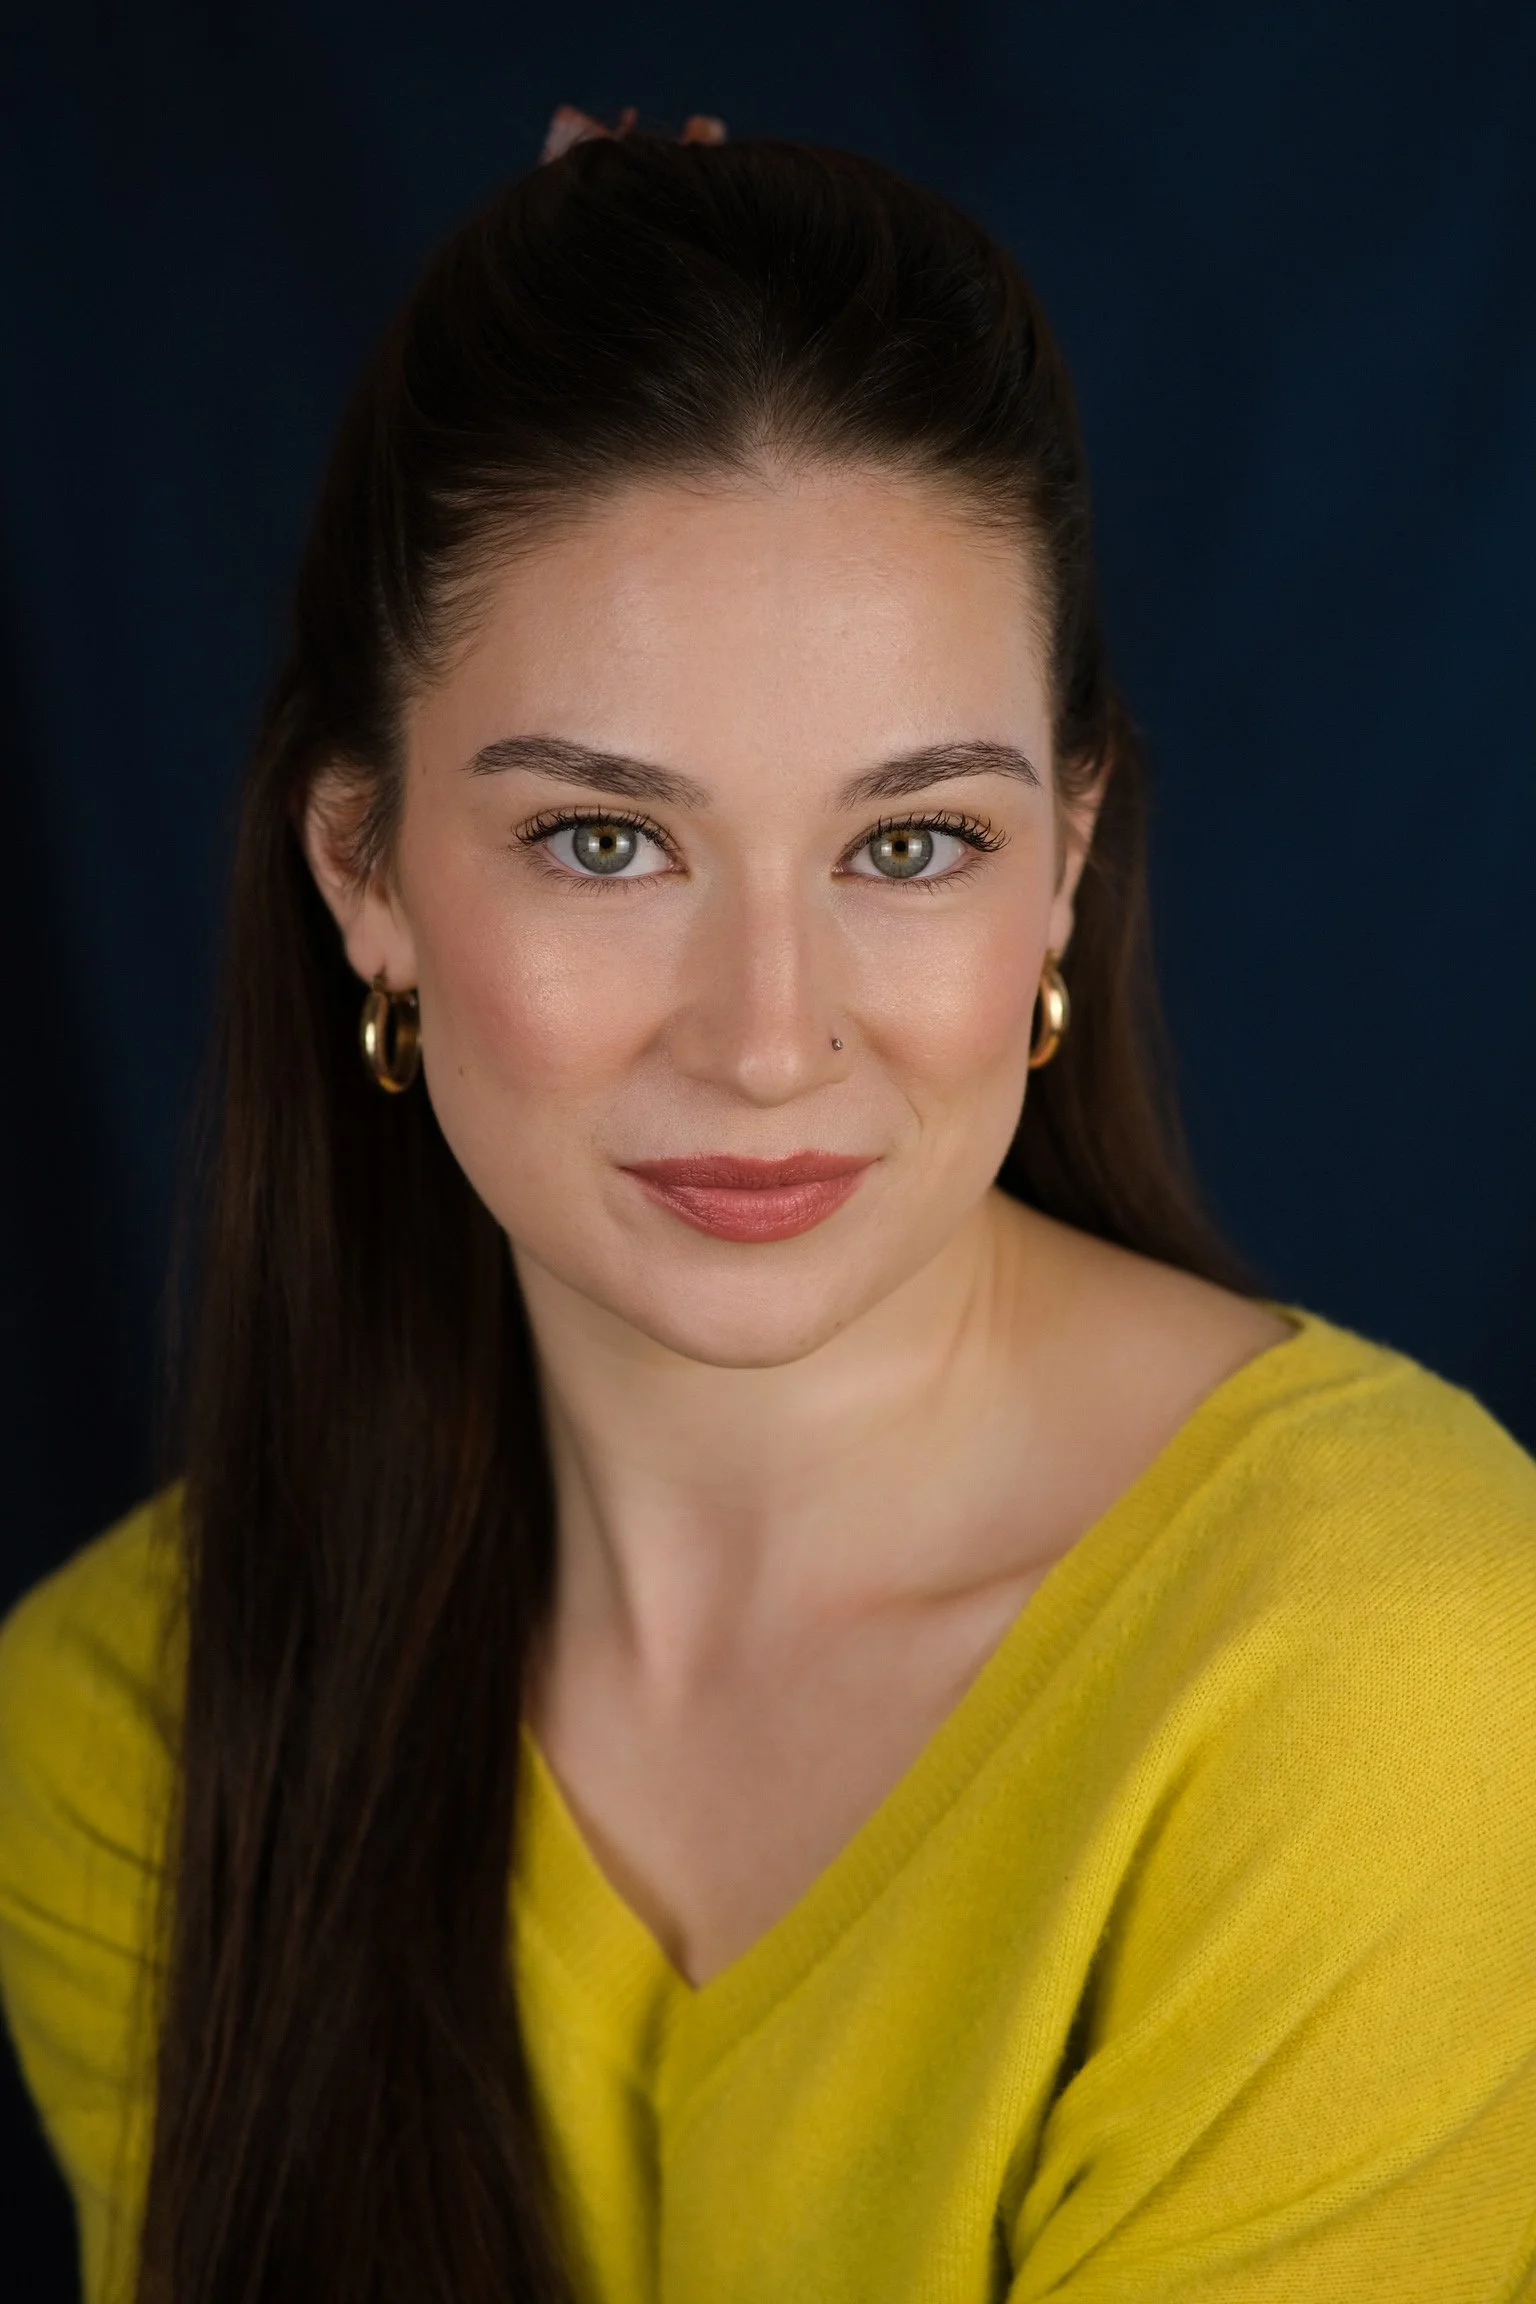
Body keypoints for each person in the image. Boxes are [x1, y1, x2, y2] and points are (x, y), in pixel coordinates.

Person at [1, 110, 1533, 2304]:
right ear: (365, 875)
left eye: (910, 843)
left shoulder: (1392, 1672)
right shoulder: (127, 1728)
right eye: (607, 844)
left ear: (1069, 865)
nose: (768, 1035)